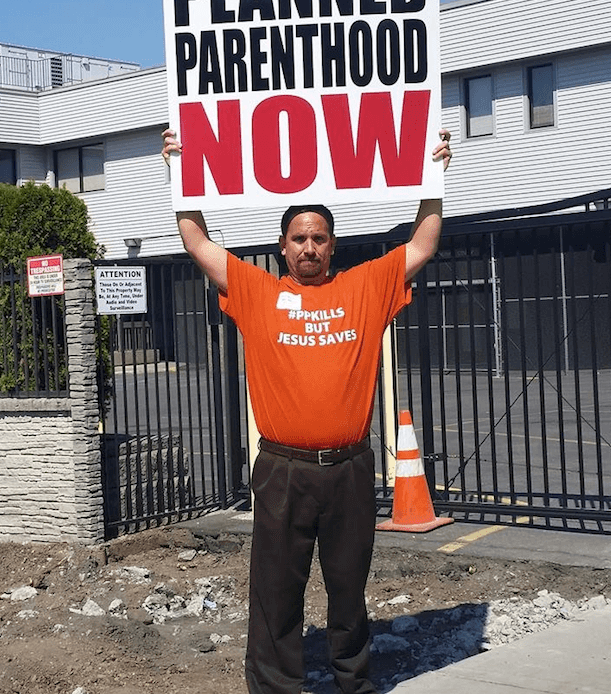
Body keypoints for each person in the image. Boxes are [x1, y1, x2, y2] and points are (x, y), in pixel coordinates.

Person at [161, 127, 451, 694]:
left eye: (319, 237)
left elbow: (421, 245)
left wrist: (434, 177)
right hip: (281, 472)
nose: (309, 247)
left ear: (333, 245)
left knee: (349, 592)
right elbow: (197, 243)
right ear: (282, 244)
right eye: (299, 238)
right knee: (275, 596)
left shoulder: (366, 287)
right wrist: (178, 171)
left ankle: (356, 684)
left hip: (348, 471)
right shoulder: (256, 291)